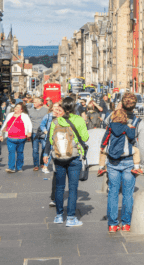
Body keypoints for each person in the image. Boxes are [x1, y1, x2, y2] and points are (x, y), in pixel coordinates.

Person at [104, 93, 144, 232]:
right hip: (129, 160)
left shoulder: (113, 117)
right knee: (128, 194)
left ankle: (112, 224)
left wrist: (116, 110)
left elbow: (105, 123)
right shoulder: (139, 122)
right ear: (135, 106)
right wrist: (140, 163)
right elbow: (142, 145)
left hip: (113, 160)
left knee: (113, 193)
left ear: (121, 103)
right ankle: (126, 224)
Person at [50, 97, 89, 227]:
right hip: (74, 157)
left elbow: (51, 140)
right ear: (73, 107)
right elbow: (85, 137)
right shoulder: (78, 120)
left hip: (59, 158)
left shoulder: (55, 121)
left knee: (60, 188)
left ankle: (59, 216)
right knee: (73, 188)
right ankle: (71, 218)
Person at [1, 103, 32, 173]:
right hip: (11, 138)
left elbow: (29, 124)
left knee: (20, 153)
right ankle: (11, 167)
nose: (16, 108)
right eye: (16, 107)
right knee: (11, 152)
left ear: (21, 110)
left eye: (18, 107)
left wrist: (29, 132)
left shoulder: (25, 116)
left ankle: (19, 167)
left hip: (21, 138)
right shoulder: (10, 115)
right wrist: (1, 134)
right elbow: (5, 124)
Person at [29, 97, 50, 172]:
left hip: (44, 132)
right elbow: (28, 121)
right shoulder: (30, 110)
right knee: (35, 150)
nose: (34, 103)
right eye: (33, 102)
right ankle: (36, 165)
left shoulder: (46, 110)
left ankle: (42, 162)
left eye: (35, 102)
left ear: (40, 103)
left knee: (44, 148)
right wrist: (28, 131)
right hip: (34, 132)